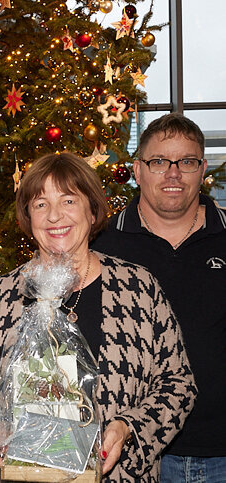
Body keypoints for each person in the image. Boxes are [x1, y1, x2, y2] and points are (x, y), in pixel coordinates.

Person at [0, 152, 197, 481]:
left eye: (68, 200)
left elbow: (177, 385)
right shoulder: (0, 296)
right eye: (40, 204)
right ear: (28, 216)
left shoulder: (138, 288)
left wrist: (129, 428)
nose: (54, 216)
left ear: (93, 209)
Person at [92, 113, 226, 481]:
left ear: (202, 170)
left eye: (186, 162)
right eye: (158, 162)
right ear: (137, 170)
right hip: (134, 457)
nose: (173, 174)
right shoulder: (101, 245)